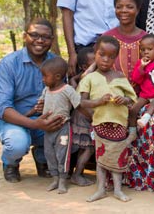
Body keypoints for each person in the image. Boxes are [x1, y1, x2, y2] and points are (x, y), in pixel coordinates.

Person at [0, 18, 66, 183]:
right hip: (14, 120)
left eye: (45, 37)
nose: (40, 40)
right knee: (17, 144)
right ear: (25, 36)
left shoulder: (57, 63)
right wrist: (33, 123)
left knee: (70, 136)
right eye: (34, 35)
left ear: (52, 40)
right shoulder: (9, 64)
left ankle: (42, 158)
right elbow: (2, 108)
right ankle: (10, 163)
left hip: (46, 119)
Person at [78, 36, 138, 202]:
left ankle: (118, 190)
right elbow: (82, 102)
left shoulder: (120, 76)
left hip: (119, 124)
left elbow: (132, 100)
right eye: (102, 54)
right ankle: (100, 189)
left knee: (117, 156)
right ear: (95, 54)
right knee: (101, 157)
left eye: (111, 56)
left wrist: (123, 100)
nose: (106, 59)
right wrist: (99, 101)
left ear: (116, 58)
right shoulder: (89, 78)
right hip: (100, 123)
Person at [38, 57, 82, 194]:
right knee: (49, 153)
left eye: (45, 76)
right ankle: (55, 179)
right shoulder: (46, 90)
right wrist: (38, 108)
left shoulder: (67, 89)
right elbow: (41, 104)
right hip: (48, 129)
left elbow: (79, 104)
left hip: (63, 128)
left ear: (57, 77)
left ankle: (63, 181)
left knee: (62, 154)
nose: (43, 79)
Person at [102, 0, 146, 82]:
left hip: (143, 95)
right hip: (112, 94)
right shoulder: (106, 38)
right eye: (119, 7)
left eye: (129, 7)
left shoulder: (147, 39)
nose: (124, 10)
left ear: (138, 10)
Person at [68, 47, 96, 187]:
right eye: (94, 63)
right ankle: (77, 174)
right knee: (87, 148)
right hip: (83, 117)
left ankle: (73, 173)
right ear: (85, 67)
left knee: (81, 148)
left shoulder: (82, 78)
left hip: (85, 117)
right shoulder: (86, 78)